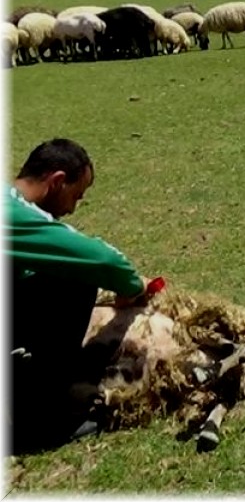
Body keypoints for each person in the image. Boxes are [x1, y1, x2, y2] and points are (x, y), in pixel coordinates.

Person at [7, 138, 155, 450]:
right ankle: (43, 422)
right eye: (76, 195)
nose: (73, 207)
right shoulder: (11, 215)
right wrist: (134, 286)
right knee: (74, 280)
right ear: (57, 181)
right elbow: (102, 260)